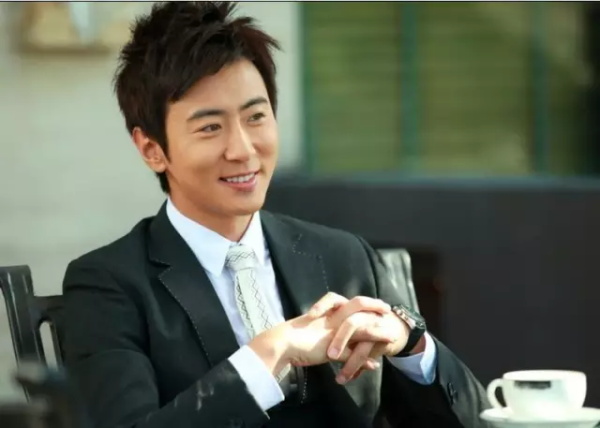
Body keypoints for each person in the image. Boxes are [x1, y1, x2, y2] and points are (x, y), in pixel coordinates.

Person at [61, 2, 491, 427]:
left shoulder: (344, 257)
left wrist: (411, 344)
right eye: (210, 127)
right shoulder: (108, 285)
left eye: (256, 117)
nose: (243, 149)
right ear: (152, 149)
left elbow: (477, 420)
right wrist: (272, 351)